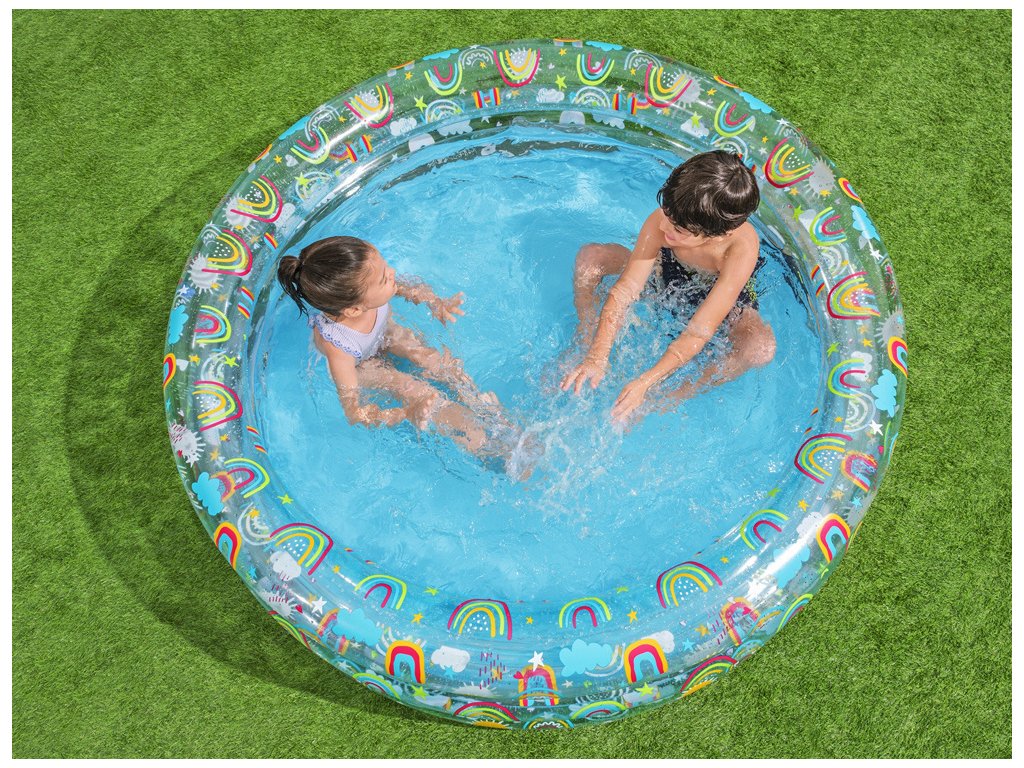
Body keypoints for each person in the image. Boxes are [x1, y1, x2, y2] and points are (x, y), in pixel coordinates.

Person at [560, 150, 777, 422]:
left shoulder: (739, 248)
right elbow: (626, 290)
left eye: (678, 230)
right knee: (591, 258)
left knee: (759, 348)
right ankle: (585, 341)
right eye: (667, 214)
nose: (663, 227)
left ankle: (662, 400)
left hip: (721, 302)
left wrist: (646, 382)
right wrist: (598, 354)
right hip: (665, 272)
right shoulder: (668, 219)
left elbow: (699, 331)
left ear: (720, 234)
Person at [277, 235, 511, 459]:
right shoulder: (338, 348)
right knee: (414, 390)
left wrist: (436, 303)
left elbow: (410, 289)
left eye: (385, 266)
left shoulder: (370, 286)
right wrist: (404, 413)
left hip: (386, 334)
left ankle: (482, 406)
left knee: (433, 360)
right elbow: (354, 413)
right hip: (362, 366)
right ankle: (479, 440)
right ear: (355, 309)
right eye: (384, 278)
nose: (392, 273)